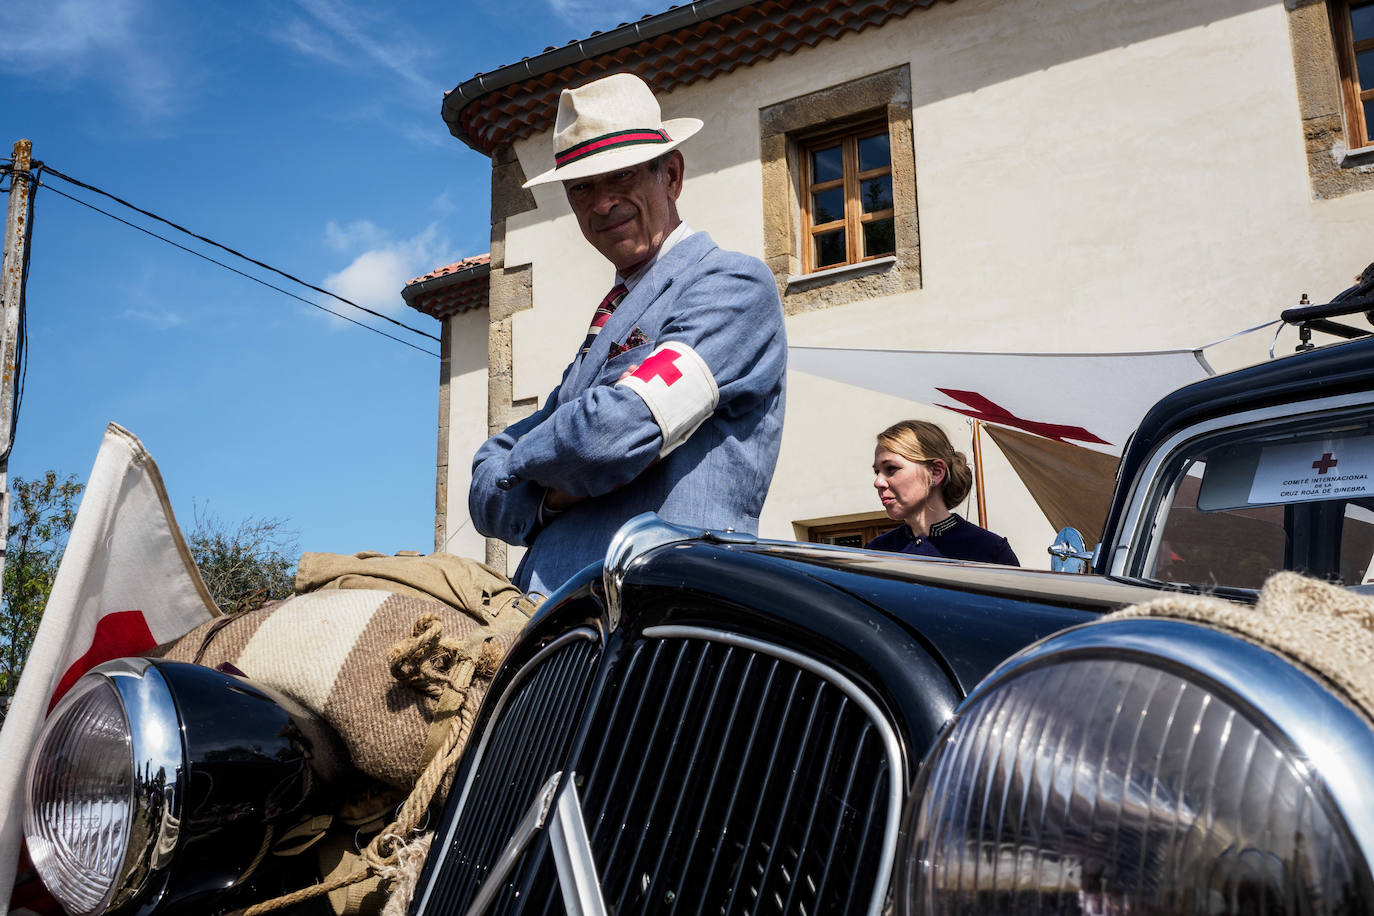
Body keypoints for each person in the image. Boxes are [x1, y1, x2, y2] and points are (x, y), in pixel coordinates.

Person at [469, 72, 787, 596]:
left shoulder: (732, 285)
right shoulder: (614, 317)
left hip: (659, 629)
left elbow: (609, 434)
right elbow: (486, 489)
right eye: (581, 188)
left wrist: (519, 466)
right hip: (565, 635)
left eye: (620, 177)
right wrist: (550, 492)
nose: (600, 204)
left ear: (673, 175)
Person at [867, 420, 1019, 565]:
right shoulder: (875, 553)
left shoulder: (989, 551)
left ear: (936, 472)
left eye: (891, 469)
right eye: (877, 472)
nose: (878, 482)